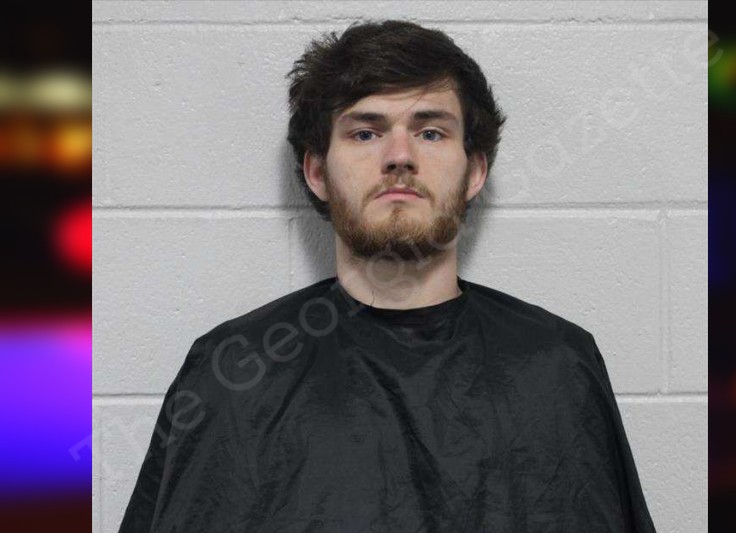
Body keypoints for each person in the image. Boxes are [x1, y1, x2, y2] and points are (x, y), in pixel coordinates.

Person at [119, 19, 657, 532]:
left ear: (474, 171)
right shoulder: (233, 372)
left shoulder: (557, 366)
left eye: (430, 132)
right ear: (317, 172)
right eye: (365, 133)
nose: (399, 156)